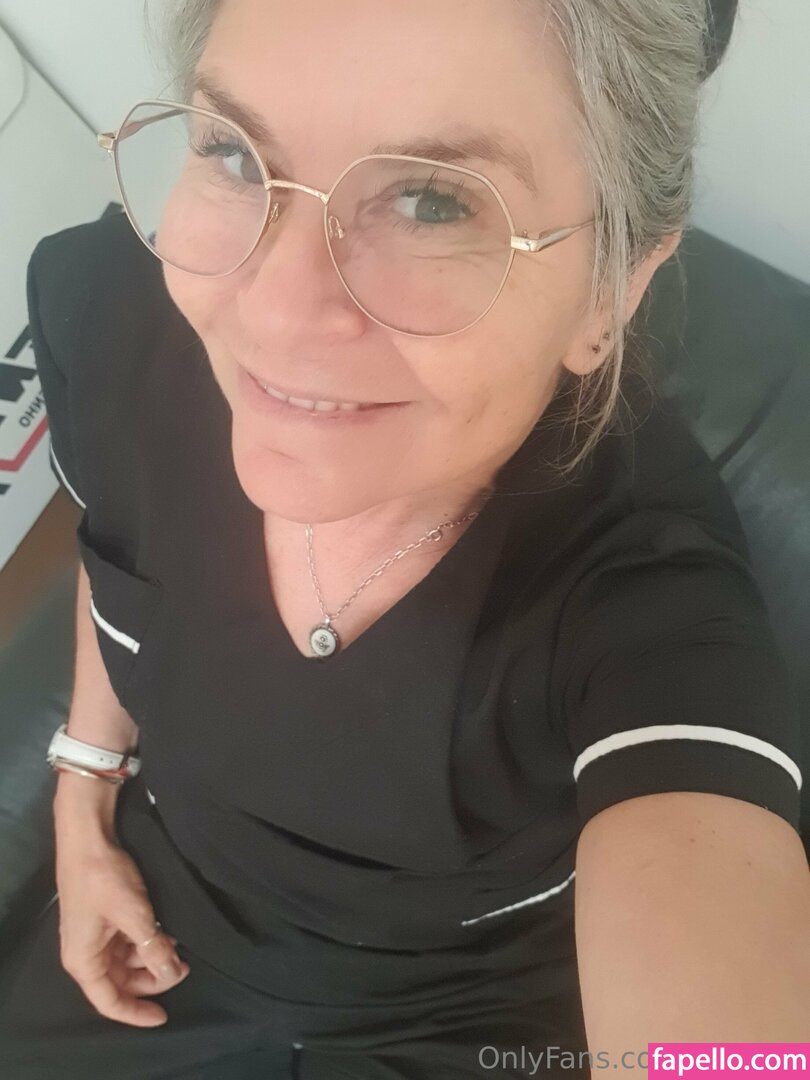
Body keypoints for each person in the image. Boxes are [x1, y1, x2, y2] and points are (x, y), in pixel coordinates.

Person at [0, 0, 807, 1077]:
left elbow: (719, 1021)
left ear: (611, 291)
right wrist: (83, 790)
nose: (273, 310)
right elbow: (118, 569)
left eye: (432, 202)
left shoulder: (642, 596)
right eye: (235, 154)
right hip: (155, 945)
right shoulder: (115, 326)